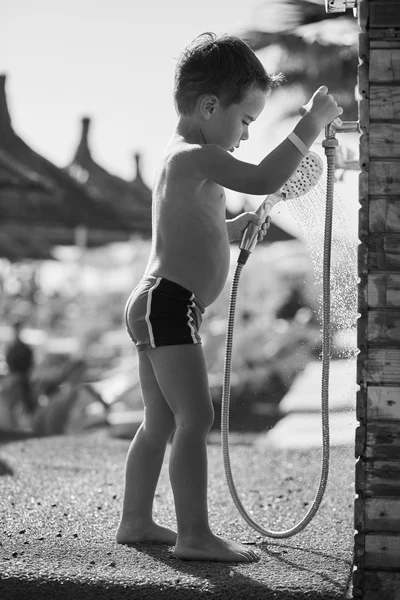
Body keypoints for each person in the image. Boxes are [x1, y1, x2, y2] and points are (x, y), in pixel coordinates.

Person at [116, 32, 342, 562]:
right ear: (210, 106)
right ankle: (194, 533)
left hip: (161, 303)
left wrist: (233, 226)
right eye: (245, 121)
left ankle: (136, 520)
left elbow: (191, 226)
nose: (244, 136)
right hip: (168, 304)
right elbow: (265, 176)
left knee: (161, 422)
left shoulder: (187, 161)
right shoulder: (196, 156)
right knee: (195, 419)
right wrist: (309, 123)